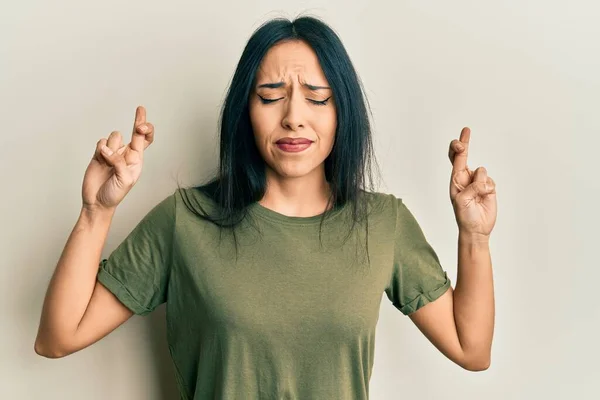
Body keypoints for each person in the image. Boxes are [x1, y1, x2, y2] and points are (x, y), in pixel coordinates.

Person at [34, 15, 497, 400]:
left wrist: (473, 236)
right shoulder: (186, 220)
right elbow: (58, 337)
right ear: (244, 110)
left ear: (343, 113)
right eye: (271, 96)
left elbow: (472, 349)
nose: (293, 115)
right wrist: (96, 212)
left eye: (317, 97)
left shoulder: (383, 223)